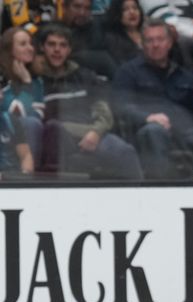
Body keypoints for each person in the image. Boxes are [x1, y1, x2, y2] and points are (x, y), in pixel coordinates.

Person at [37, 23, 143, 179]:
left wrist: (95, 132)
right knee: (55, 131)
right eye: (51, 44)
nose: (57, 50)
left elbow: (105, 114)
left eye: (63, 45)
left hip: (94, 133)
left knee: (124, 151)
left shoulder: (85, 76)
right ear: (42, 47)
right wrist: (85, 132)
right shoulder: (37, 81)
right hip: (60, 137)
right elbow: (45, 123)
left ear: (69, 50)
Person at [112, 18, 193, 179]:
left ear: (169, 43)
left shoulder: (183, 75)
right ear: (142, 44)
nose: (155, 45)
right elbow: (120, 105)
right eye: (150, 40)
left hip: (184, 133)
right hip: (147, 132)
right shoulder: (128, 72)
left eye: (160, 39)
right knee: (153, 131)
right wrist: (147, 118)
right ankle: (159, 189)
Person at [0, 27, 45, 170]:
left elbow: (38, 115)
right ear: (9, 49)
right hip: (6, 135)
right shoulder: (2, 77)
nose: (30, 48)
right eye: (23, 44)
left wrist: (27, 81)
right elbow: (13, 113)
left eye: (31, 44)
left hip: (22, 138)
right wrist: (26, 84)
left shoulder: (36, 81)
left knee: (32, 124)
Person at [59, 0, 117, 78]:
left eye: (87, 8)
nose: (82, 13)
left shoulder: (98, 31)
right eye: (77, 7)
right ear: (64, 7)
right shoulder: (52, 32)